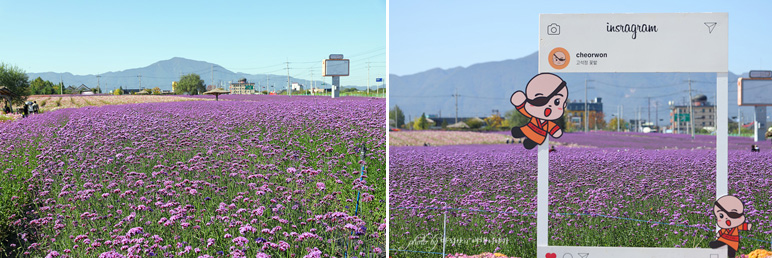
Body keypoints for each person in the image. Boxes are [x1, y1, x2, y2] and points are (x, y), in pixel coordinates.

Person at [510, 73, 569, 150]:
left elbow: (552, 127)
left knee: (531, 142)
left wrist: (555, 131)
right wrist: (520, 103)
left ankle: (530, 140)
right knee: (520, 131)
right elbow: (525, 111)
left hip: (539, 137)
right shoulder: (535, 115)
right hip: (528, 129)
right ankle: (521, 132)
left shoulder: (547, 123)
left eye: (557, 102)